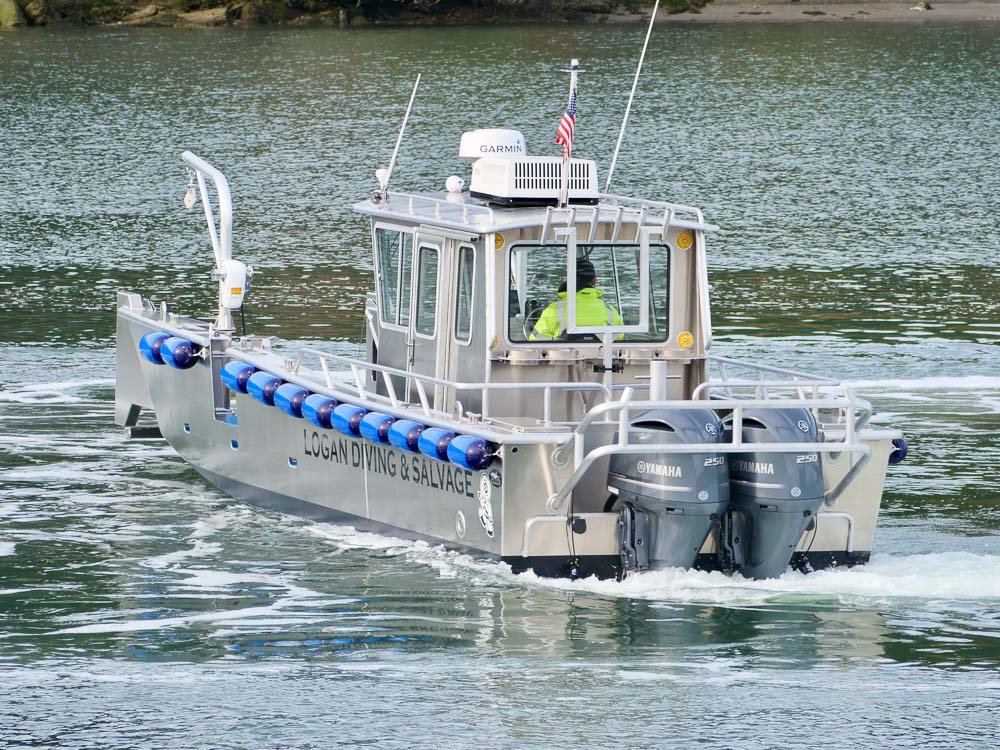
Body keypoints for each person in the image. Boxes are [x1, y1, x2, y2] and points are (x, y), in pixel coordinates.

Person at [529, 258, 623, 341]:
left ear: (568, 280)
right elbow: (619, 338)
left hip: (564, 359)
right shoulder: (610, 311)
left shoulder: (554, 309)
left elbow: (535, 340)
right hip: (602, 360)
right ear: (594, 280)